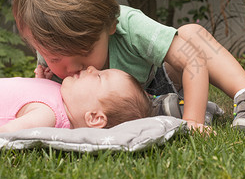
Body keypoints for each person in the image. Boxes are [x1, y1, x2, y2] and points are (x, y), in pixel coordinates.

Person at [12, 0, 245, 133]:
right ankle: (170, 108)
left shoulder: (130, 26)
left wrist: (193, 123)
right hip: (126, 104)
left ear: (110, 24)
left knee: (191, 35)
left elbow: (193, 61)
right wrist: (44, 77)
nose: (70, 68)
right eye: (55, 58)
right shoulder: (49, 37)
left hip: (161, 77)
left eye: (82, 54)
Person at [0, 66, 152, 133]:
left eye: (99, 76)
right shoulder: (64, 99)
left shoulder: (48, 115)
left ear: (94, 117)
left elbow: (9, 132)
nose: (91, 68)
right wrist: (41, 82)